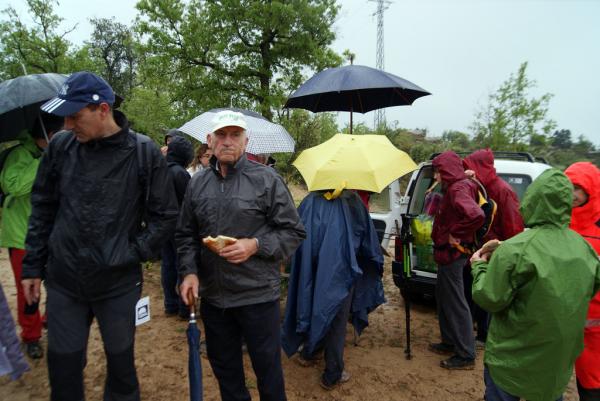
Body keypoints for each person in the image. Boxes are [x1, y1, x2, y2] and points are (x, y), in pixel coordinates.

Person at [21, 71, 179, 401]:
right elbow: (42, 207)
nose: (66, 125)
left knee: (122, 370)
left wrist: (131, 252)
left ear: (103, 110)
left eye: (75, 116)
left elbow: (165, 217)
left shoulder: (142, 152)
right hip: (65, 280)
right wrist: (33, 266)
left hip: (117, 285)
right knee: (63, 369)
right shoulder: (62, 148)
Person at [177, 110, 306, 401]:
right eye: (221, 135)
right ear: (209, 141)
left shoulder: (267, 180)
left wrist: (255, 245)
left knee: (268, 372)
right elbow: (185, 235)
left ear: (246, 142)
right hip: (215, 298)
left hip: (257, 296)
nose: (227, 141)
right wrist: (189, 272)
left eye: (235, 135)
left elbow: (293, 232)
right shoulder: (197, 184)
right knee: (226, 372)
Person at [471, 168, 600, 401]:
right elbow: (589, 287)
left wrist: (478, 265)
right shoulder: (585, 248)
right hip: (554, 366)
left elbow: (489, 297)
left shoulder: (516, 250)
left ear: (534, 198)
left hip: (509, 361)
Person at [281, 189, 385, 390]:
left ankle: (309, 353)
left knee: (313, 308)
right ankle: (333, 373)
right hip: (341, 272)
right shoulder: (353, 201)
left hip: (312, 270)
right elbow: (368, 241)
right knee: (337, 320)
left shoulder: (309, 201)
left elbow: (295, 235)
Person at [0, 112, 62, 359]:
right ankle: (31, 335)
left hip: (52, 232)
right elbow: (14, 186)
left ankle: (49, 318)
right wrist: (43, 161)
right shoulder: (20, 155)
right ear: (48, 135)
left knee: (58, 281)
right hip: (21, 236)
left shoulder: (56, 153)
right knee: (29, 289)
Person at [428, 150, 484, 370]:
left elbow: (476, 216)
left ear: (448, 170)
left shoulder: (458, 188)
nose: (435, 177)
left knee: (456, 302)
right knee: (444, 298)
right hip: (448, 254)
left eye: (438, 172)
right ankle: (449, 342)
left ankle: (466, 354)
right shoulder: (458, 186)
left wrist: (455, 233)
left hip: (453, 254)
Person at [462, 149, 525, 345]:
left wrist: (501, 251)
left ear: (480, 168)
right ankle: (471, 330)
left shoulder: (502, 190)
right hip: (474, 251)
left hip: (492, 253)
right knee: (471, 292)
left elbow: (514, 228)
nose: (468, 171)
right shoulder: (476, 188)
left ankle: (484, 335)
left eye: (470, 167)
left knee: (486, 295)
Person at [565, 162, 600, 400]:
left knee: (592, 385)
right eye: (568, 186)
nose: (572, 194)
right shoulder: (559, 221)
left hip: (595, 329)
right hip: (564, 321)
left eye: (578, 188)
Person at [161, 134, 194, 318]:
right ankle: (183, 307)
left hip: (163, 226)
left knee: (168, 265)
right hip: (179, 226)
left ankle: (170, 304)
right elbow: (189, 201)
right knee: (182, 265)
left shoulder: (160, 169)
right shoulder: (180, 173)